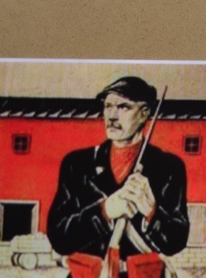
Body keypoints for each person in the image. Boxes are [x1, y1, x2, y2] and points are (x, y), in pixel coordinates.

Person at [47, 76, 189, 277]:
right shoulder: (77, 164)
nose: (112, 116)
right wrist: (104, 211)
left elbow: (176, 242)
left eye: (123, 107)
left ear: (144, 113)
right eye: (108, 106)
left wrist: (151, 211)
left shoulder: (168, 167)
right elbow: (58, 237)